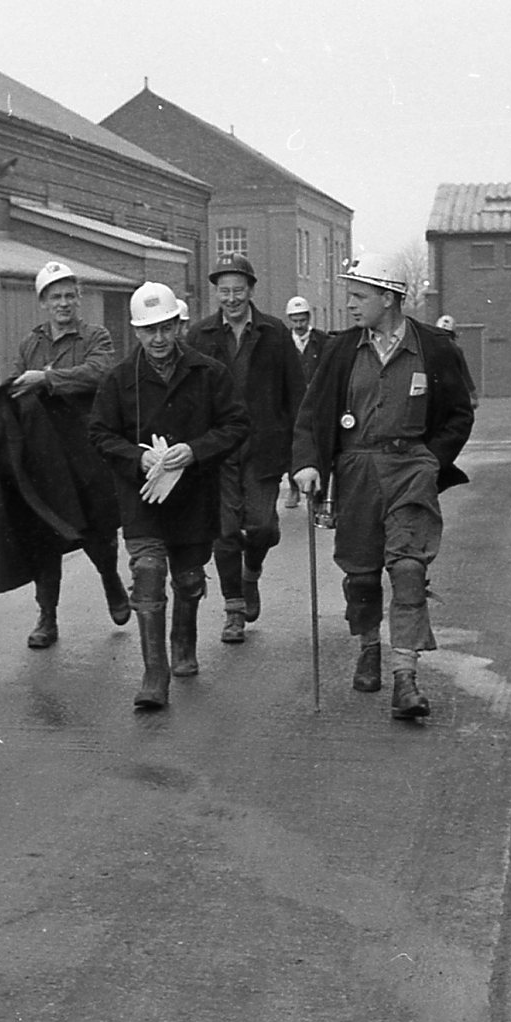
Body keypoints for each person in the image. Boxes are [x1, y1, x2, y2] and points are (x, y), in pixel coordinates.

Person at [291, 255, 475, 720]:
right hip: (356, 470)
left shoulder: (434, 348)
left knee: (409, 568)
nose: (350, 304)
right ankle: (368, 646)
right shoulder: (340, 350)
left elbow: (458, 415)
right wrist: (308, 464)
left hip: (411, 470)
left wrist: (431, 461)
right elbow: (312, 415)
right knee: (361, 573)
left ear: (389, 298)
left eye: (359, 296)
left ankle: (405, 677)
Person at [88, 282, 248, 710]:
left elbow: (236, 424)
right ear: (136, 331)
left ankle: (183, 638)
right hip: (141, 497)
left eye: (165, 328)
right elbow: (99, 433)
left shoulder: (208, 373)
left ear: (178, 325)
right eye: (148, 330)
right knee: (148, 571)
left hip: (194, 495)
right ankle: (154, 674)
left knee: (189, 578)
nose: (158, 339)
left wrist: (196, 450)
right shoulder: (119, 379)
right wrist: (136, 457)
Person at [0, 260, 130, 649]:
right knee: (44, 532)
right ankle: (47, 616)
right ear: (43, 302)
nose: (63, 303)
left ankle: (111, 581)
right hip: (46, 458)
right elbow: (20, 388)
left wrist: (48, 379)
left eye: (69, 295)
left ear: (79, 299)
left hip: (87, 453)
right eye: (55, 297)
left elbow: (100, 373)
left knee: (97, 528)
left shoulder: (95, 336)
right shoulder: (31, 344)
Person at [186, 256, 306, 645]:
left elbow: (297, 394)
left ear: (251, 290)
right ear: (216, 293)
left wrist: (301, 453)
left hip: (263, 447)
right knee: (224, 533)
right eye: (224, 291)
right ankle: (234, 610)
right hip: (218, 450)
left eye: (238, 290)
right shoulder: (200, 335)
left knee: (262, 527)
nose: (232, 298)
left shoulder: (274, 333)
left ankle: (250, 573)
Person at [284, 295, 330, 506]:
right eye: (295, 321)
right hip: (292, 402)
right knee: (292, 444)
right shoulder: (284, 342)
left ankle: (318, 491)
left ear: (308, 318)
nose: (299, 325)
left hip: (317, 401)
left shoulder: (322, 341)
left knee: (318, 443)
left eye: (302, 320)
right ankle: (294, 487)